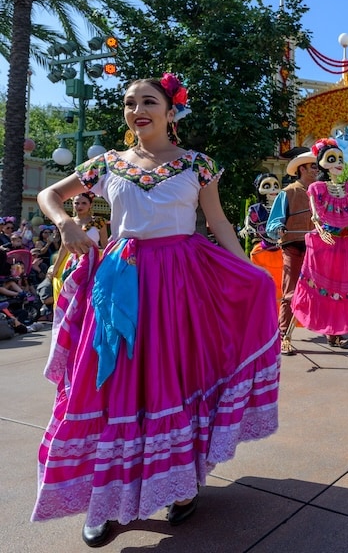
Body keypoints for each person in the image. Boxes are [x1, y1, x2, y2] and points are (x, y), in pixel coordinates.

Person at [31, 73, 280, 548]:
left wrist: (251, 272)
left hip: (182, 283)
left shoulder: (198, 165)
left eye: (149, 101)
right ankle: (103, 502)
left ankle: (181, 486)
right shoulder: (106, 164)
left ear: (171, 111)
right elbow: (49, 196)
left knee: (174, 380)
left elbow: (218, 222)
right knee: (108, 384)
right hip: (120, 281)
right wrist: (65, 223)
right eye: (129, 103)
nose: (137, 109)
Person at [290, 137, 348, 348]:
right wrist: (320, 230)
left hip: (347, 242)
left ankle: (347, 333)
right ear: (321, 162)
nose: (338, 163)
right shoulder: (317, 188)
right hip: (324, 244)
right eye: (332, 158)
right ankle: (290, 334)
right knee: (317, 287)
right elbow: (315, 217)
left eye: (340, 159)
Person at [266, 148, 317, 355]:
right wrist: (279, 228)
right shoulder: (287, 193)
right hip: (293, 246)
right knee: (290, 293)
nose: (317, 169)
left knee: (324, 291)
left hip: (316, 248)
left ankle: (333, 334)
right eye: (313, 166)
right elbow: (274, 222)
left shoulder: (319, 192)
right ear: (302, 168)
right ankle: (283, 336)